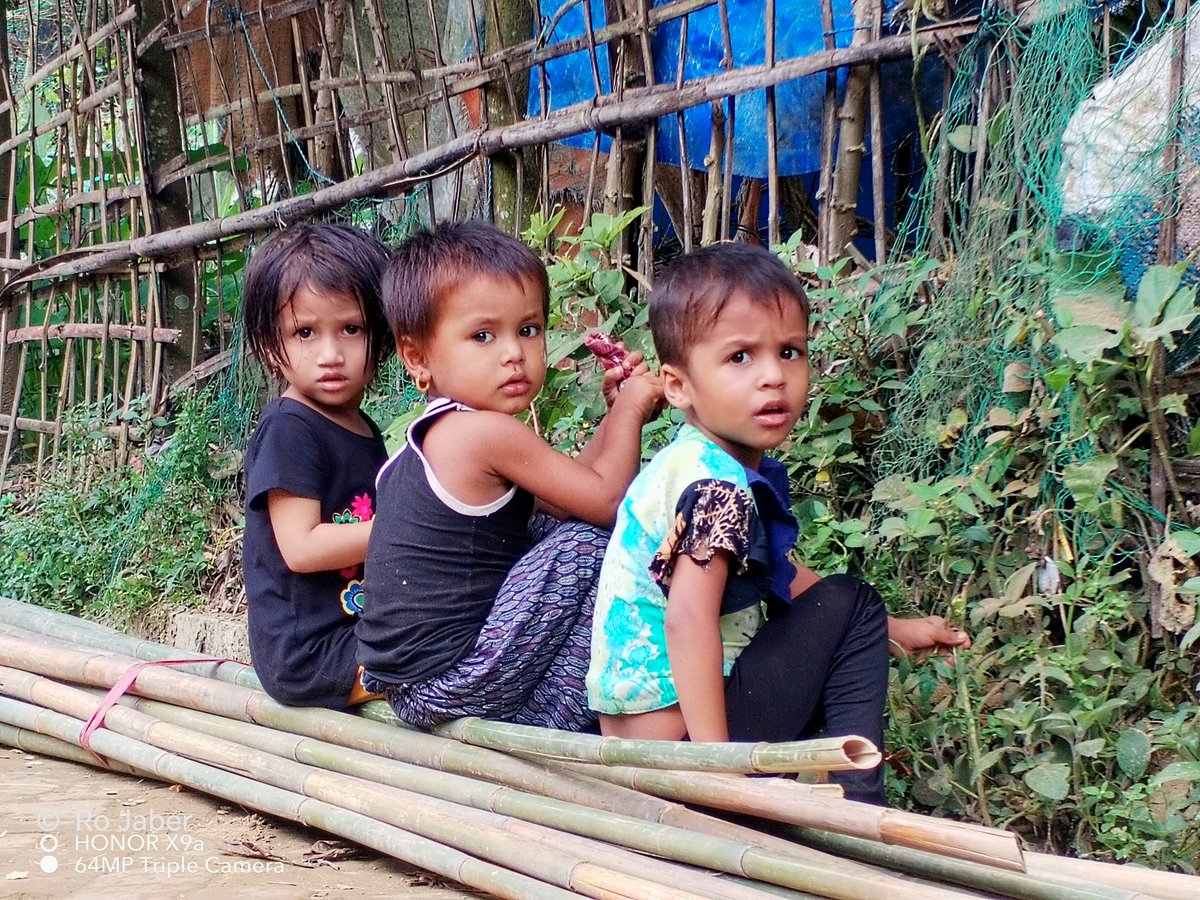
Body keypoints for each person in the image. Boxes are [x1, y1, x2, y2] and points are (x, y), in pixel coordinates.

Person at [586, 242, 970, 804]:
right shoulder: (717, 487)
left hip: (646, 736)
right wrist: (719, 772)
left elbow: (779, 577)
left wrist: (896, 629)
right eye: (740, 357)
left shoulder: (689, 461)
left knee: (851, 611)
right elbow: (687, 620)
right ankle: (860, 808)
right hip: (682, 745)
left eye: (789, 352)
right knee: (854, 602)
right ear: (678, 386)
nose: (773, 376)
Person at [358, 220, 661, 731]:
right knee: (589, 545)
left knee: (560, 528)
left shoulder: (440, 434)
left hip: (417, 686)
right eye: (483, 336)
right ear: (417, 357)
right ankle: (559, 720)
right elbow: (609, 505)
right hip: (454, 681)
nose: (514, 353)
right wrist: (632, 410)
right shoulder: (482, 434)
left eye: (528, 329)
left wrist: (615, 416)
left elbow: (574, 495)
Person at [241, 223, 393, 710]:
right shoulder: (290, 429)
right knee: (445, 656)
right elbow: (302, 548)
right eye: (305, 332)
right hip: (312, 656)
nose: (331, 355)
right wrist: (412, 529)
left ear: (383, 336)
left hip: (358, 630)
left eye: (351, 329)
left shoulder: (362, 426)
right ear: (271, 345)